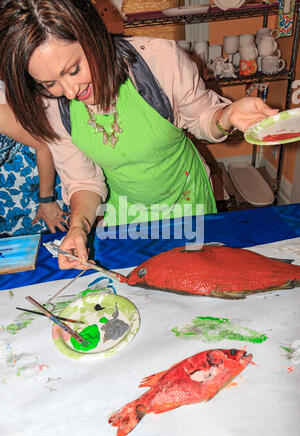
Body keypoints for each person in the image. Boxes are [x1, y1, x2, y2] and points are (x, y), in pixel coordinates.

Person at [0, 0, 279, 269]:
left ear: (93, 34)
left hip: (185, 199)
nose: (70, 92)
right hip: (123, 211)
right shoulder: (51, 105)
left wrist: (227, 116)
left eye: (74, 70)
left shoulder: (159, 61)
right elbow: (84, 180)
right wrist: (77, 228)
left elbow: (203, 118)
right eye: (50, 83)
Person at [0, 87, 69, 233]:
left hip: (37, 177)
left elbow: (43, 145)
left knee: (57, 243)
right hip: (5, 194)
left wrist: (46, 201)